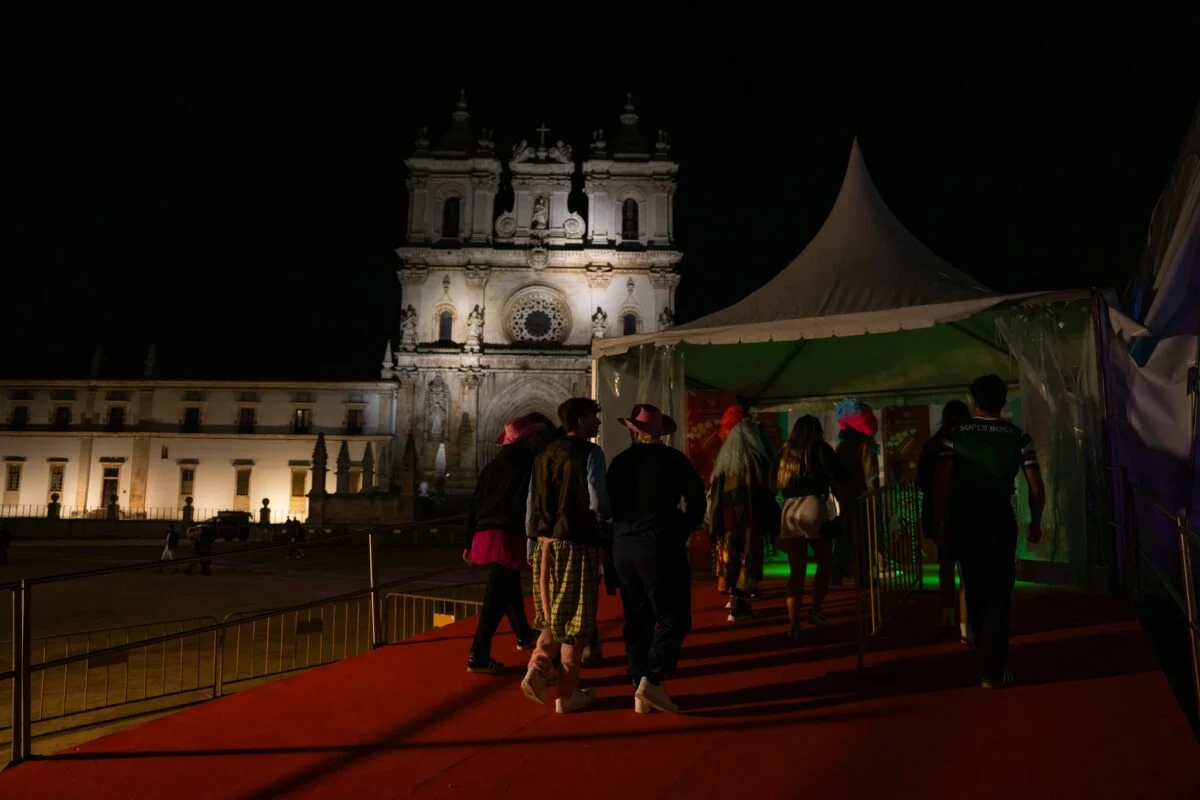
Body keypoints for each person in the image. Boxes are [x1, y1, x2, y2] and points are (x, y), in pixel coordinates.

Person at [934, 374, 1045, 689]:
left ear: (974, 401)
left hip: (965, 519)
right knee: (999, 591)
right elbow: (1036, 487)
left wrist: (941, 522)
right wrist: (1035, 521)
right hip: (999, 519)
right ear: (1002, 401)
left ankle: (985, 649)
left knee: (974, 585)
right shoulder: (1019, 437)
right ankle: (993, 668)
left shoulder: (954, 435)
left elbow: (942, 483)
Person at [607, 404, 705, 713]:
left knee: (637, 617)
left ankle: (639, 685)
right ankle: (653, 676)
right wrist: (682, 527)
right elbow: (696, 499)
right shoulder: (673, 460)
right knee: (674, 615)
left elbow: (607, 505)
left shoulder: (619, 462)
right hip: (659, 543)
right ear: (660, 433)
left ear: (633, 430)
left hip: (622, 545)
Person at [521, 397, 609, 713]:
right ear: (582, 420)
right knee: (576, 620)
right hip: (576, 542)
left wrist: (532, 542)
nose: (598, 423)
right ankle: (567, 695)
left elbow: (531, 502)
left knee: (550, 613)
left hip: (545, 544)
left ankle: (537, 669)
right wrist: (606, 521)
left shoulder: (543, 454)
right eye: (595, 418)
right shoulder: (591, 453)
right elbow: (598, 500)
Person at [463, 416, 543, 674]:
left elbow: (474, 505)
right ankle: (479, 654)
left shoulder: (490, 467)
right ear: (526, 440)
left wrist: (467, 540)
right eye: (532, 437)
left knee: (506, 585)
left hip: (485, 534)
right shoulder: (529, 465)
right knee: (495, 597)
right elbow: (529, 501)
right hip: (508, 534)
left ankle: (523, 635)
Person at [776, 415, 849, 639]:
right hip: (813, 504)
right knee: (824, 560)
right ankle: (815, 610)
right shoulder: (820, 449)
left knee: (796, 571)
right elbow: (839, 476)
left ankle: (793, 624)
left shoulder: (785, 451)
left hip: (788, 509)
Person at [706, 406, 779, 623]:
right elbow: (770, 487)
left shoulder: (724, 464)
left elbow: (715, 491)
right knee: (749, 551)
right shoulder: (758, 460)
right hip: (751, 516)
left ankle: (734, 597)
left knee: (731, 552)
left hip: (728, 517)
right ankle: (739, 601)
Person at [918, 400, 972, 636]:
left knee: (945, 563)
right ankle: (967, 615)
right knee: (968, 565)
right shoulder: (970, 443)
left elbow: (922, 481)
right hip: (967, 510)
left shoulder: (932, 445)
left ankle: (948, 612)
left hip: (938, 511)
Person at [831, 398, 882, 585]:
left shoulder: (841, 446)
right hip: (862, 497)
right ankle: (863, 575)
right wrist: (874, 496)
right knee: (863, 536)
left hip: (844, 496)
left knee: (845, 533)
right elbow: (871, 475)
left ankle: (837, 571)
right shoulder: (865, 445)